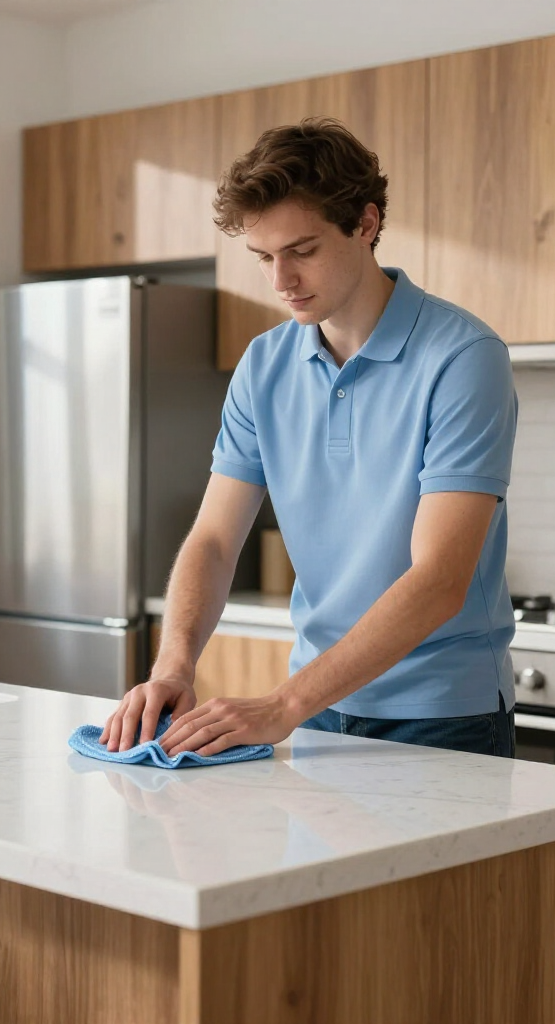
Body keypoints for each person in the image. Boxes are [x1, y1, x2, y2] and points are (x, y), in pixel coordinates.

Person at [100, 116, 518, 759]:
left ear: (366, 225)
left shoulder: (462, 357)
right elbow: (213, 540)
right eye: (264, 257)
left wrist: (283, 704)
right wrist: (174, 666)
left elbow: (440, 579)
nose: (280, 281)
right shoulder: (264, 366)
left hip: (441, 714)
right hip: (320, 711)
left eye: (302, 250)